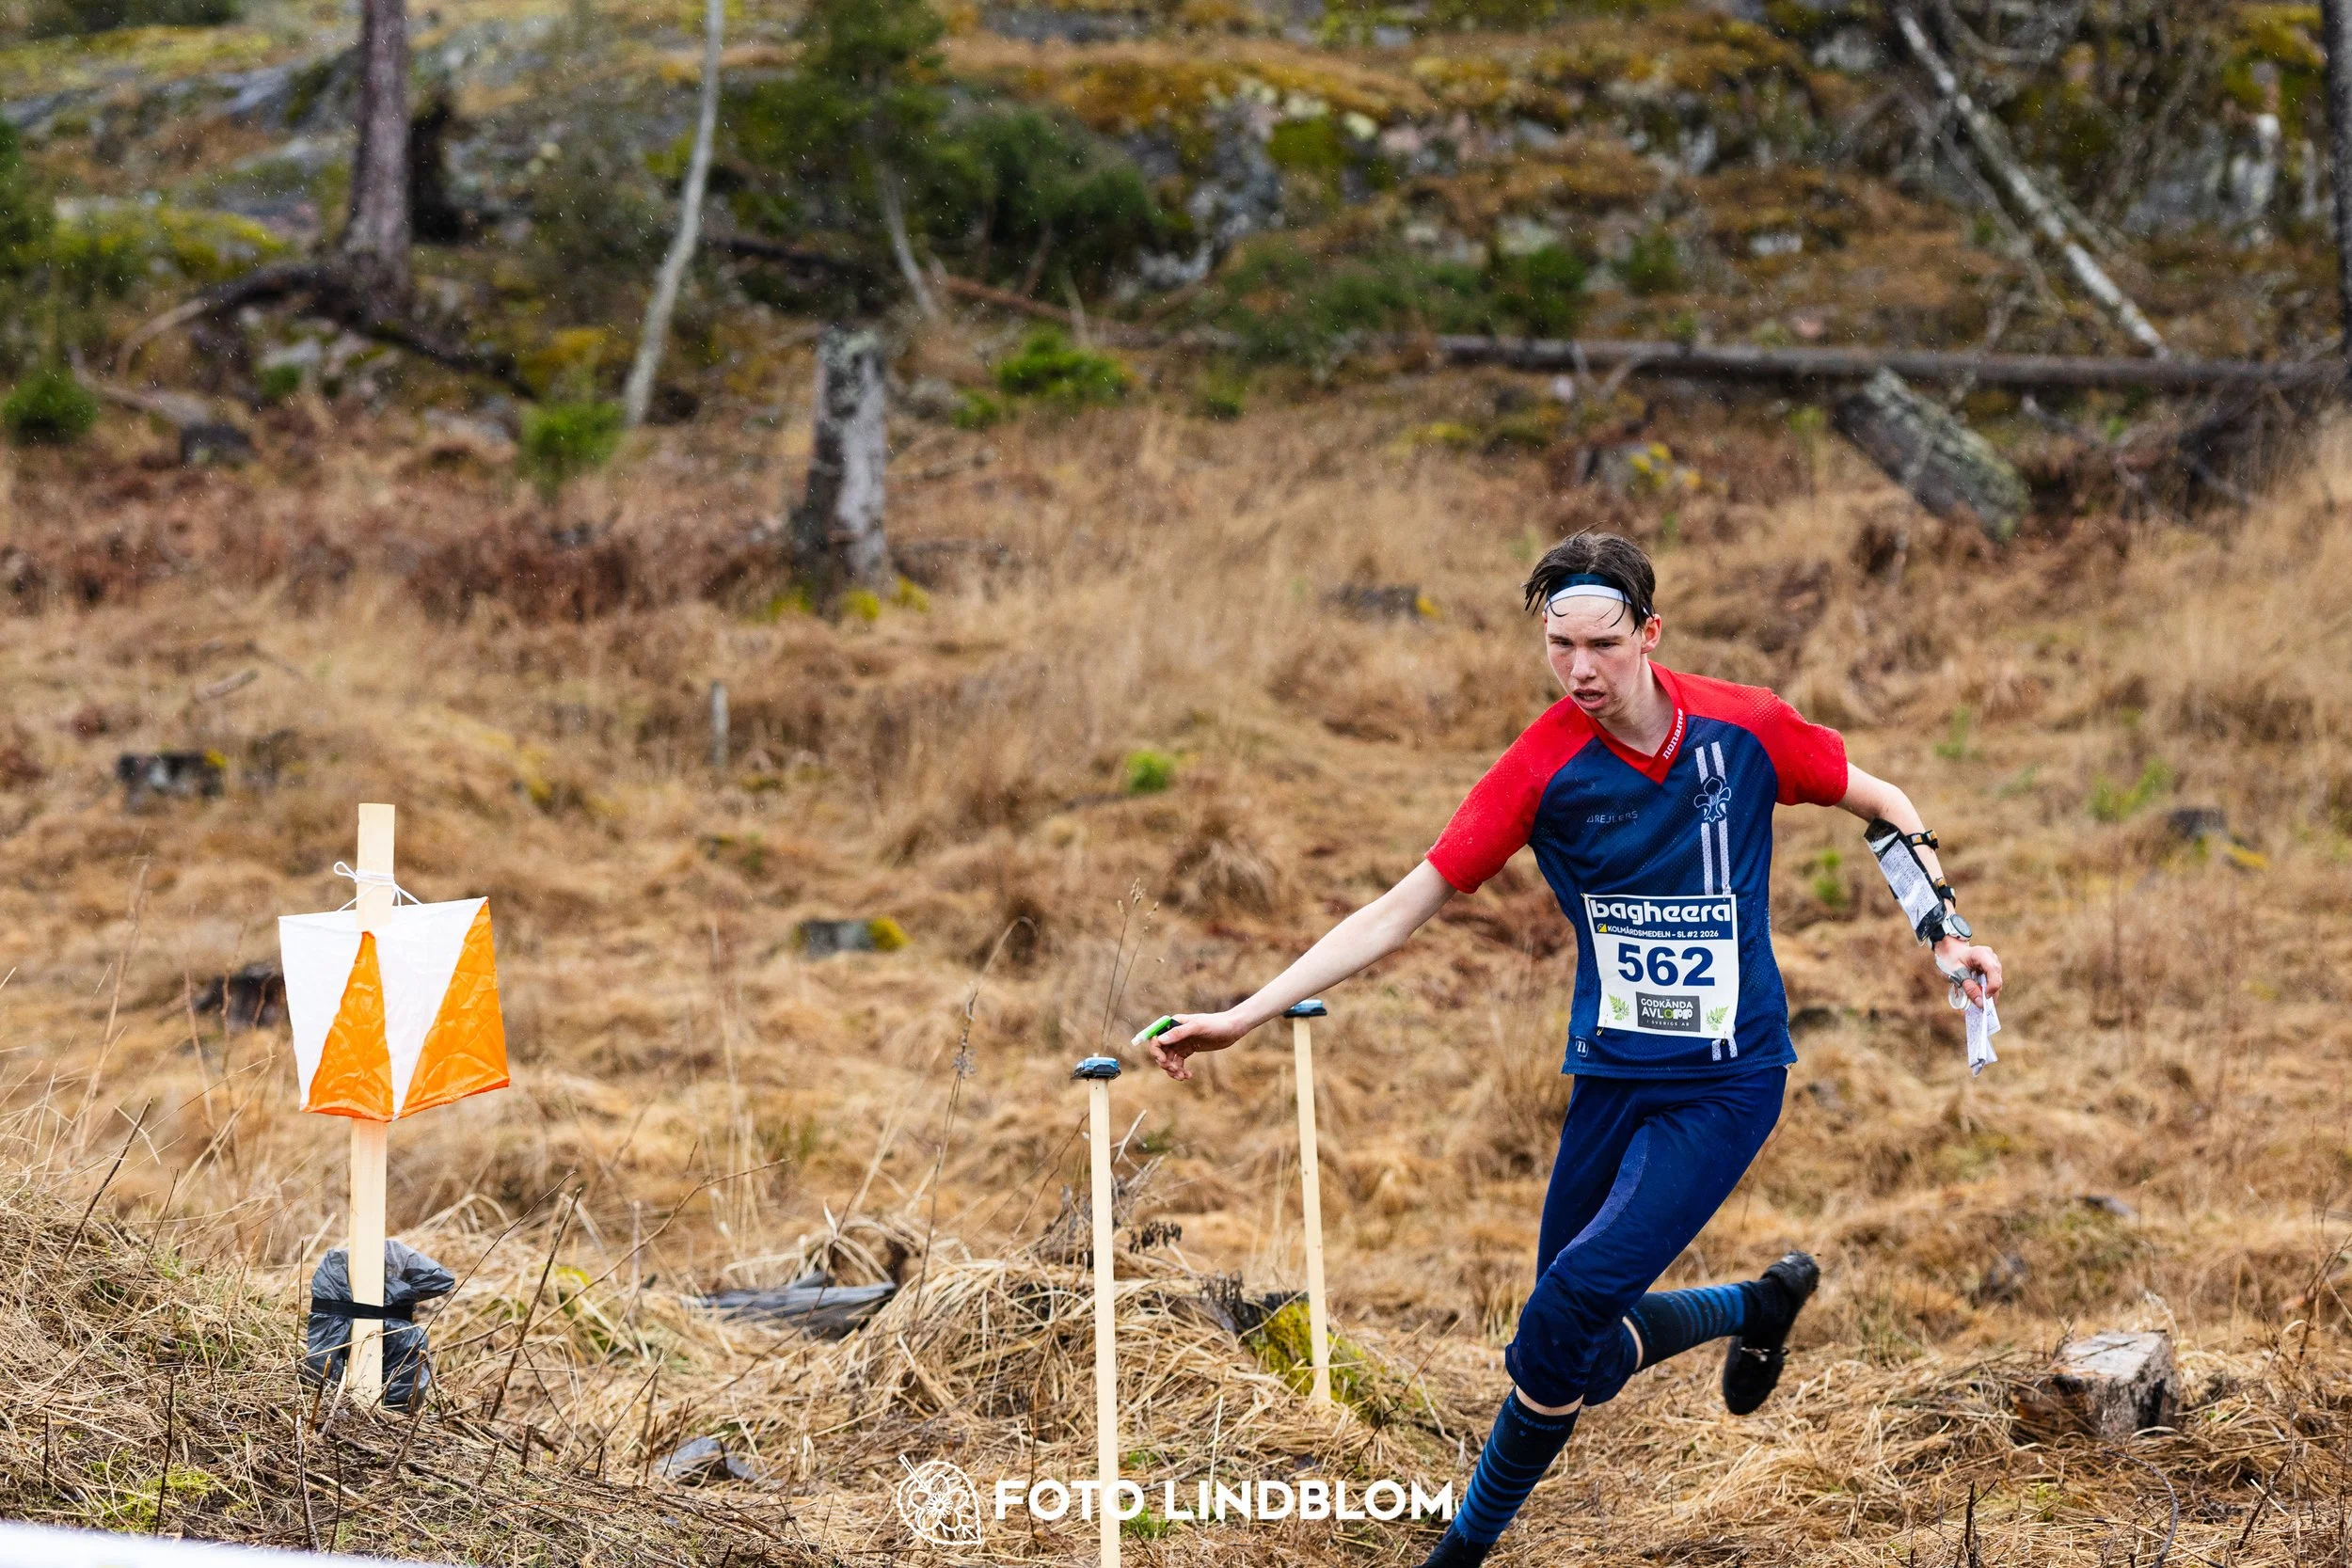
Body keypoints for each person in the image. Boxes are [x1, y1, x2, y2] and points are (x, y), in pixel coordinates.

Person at [1139, 531, 2004, 1567]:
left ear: (1650, 632)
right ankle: (1758, 1302)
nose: (1581, 669)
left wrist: (1945, 932)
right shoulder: (1542, 764)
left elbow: (1884, 802)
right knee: (1575, 1356)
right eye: (1560, 646)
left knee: (1567, 1307)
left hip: (1728, 1081)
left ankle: (1458, 1552)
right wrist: (1243, 1014)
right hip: (1608, 1079)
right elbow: (1399, 908)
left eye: (1603, 643)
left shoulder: (1745, 727)